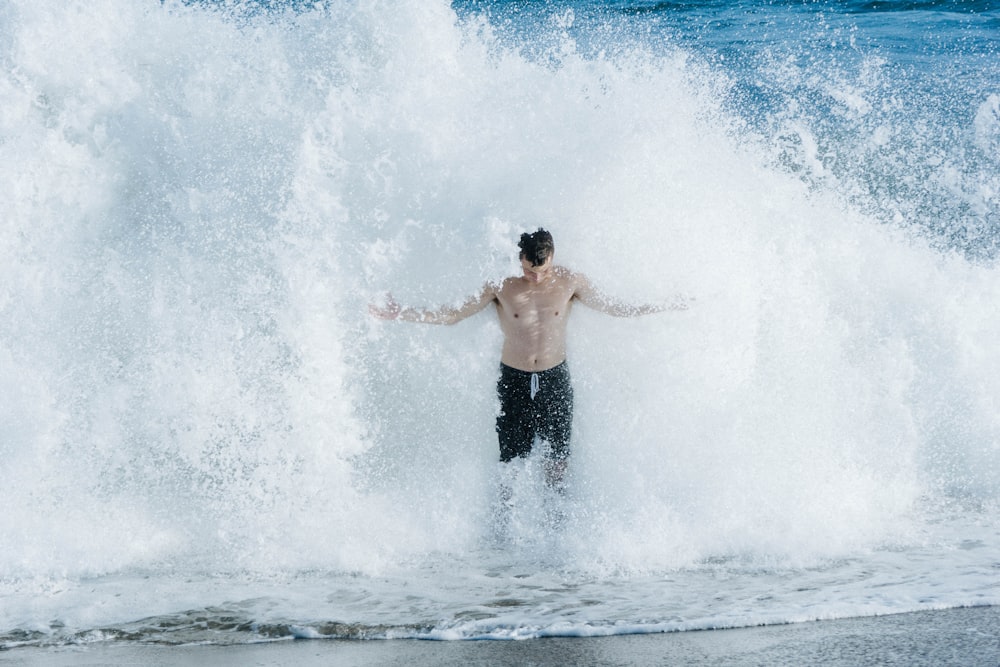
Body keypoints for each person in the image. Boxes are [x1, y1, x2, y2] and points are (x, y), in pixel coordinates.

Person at [369, 228, 688, 490]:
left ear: (552, 258)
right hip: (514, 378)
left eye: (543, 269)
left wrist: (662, 305)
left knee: (557, 459)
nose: (536, 277)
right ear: (520, 258)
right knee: (511, 459)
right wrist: (403, 314)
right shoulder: (501, 286)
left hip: (554, 377)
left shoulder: (569, 282)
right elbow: (453, 315)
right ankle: (505, 532)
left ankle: (555, 525)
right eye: (529, 270)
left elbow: (615, 307)